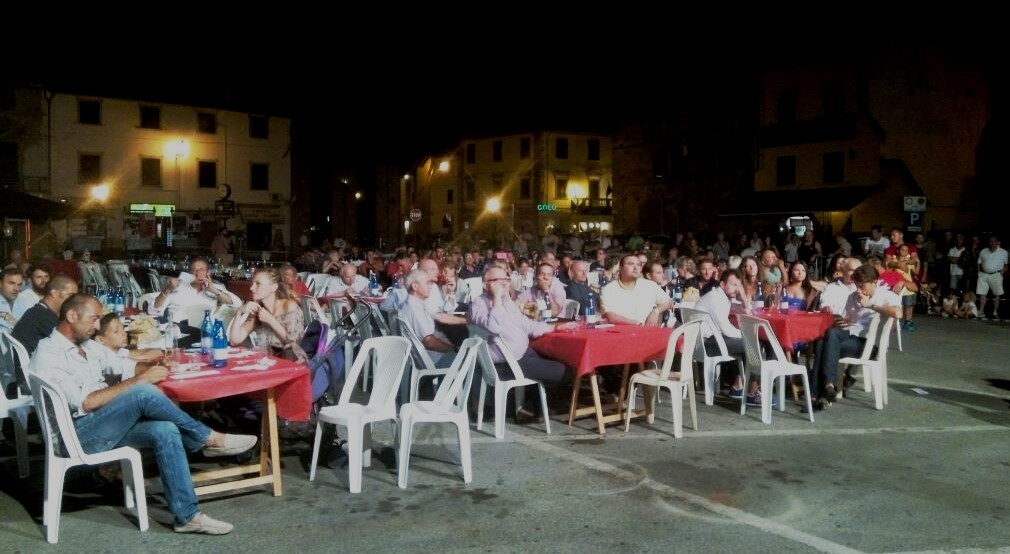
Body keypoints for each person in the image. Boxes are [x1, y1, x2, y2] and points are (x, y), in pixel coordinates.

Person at [30, 294, 256, 535]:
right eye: (94, 319)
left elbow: (124, 366)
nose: (98, 326)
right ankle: (208, 438)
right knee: (142, 392)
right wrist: (141, 380)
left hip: (101, 425)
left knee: (165, 430)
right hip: (75, 436)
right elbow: (86, 403)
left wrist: (153, 368)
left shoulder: (85, 346)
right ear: (72, 316)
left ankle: (187, 516)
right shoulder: (49, 355)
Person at [468, 267, 578, 416]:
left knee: (565, 360)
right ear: (485, 284)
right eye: (497, 281)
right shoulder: (479, 304)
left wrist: (557, 327)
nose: (504, 284)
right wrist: (496, 299)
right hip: (506, 364)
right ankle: (536, 407)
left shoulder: (507, 302)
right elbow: (494, 327)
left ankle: (535, 406)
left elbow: (528, 325)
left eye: (506, 280)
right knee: (564, 372)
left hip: (523, 354)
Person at [813, 264, 901, 410]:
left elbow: (898, 313)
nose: (859, 290)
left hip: (871, 345)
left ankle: (819, 392)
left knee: (826, 341)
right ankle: (825, 388)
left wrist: (871, 305)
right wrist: (840, 320)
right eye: (857, 286)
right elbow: (850, 321)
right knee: (824, 339)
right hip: (851, 338)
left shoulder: (887, 296)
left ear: (874, 282)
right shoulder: (853, 297)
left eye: (862, 286)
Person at [694, 268, 770, 406]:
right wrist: (746, 336)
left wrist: (742, 294)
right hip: (705, 344)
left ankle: (740, 387)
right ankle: (751, 392)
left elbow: (747, 310)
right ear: (722, 285)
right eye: (733, 284)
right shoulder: (714, 298)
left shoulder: (722, 297)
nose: (736, 288)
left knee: (751, 345)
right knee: (752, 345)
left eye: (738, 285)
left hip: (712, 339)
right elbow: (726, 329)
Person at [228, 267, 306, 359]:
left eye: (258, 284)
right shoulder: (258, 310)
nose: (251, 288)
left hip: (289, 364)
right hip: (265, 363)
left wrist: (270, 320)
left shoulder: (289, 306)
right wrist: (239, 312)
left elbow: (295, 344)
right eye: (252, 283)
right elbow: (234, 340)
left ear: (273, 287)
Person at [148, 257, 241, 327]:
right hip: (177, 331)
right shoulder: (178, 286)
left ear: (208, 272)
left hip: (204, 332)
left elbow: (236, 303)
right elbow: (153, 310)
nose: (198, 274)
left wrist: (214, 290)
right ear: (189, 273)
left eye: (202, 270)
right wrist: (167, 289)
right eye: (195, 271)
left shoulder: (215, 288)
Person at [400, 269, 455, 367]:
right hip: (434, 360)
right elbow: (430, 342)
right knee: (474, 359)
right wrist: (453, 349)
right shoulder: (415, 309)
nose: (430, 286)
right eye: (427, 283)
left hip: (426, 358)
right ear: (415, 286)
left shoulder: (411, 304)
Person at [12, 275, 78, 355]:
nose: (74, 301)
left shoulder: (38, 311)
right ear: (54, 293)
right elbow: (70, 344)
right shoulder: (43, 317)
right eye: (71, 296)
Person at [600, 255, 672, 326]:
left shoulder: (650, 285)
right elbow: (610, 316)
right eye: (630, 264)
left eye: (638, 265)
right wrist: (637, 324)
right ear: (620, 268)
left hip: (647, 332)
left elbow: (668, 302)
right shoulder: (608, 289)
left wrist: (656, 311)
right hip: (621, 333)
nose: (635, 268)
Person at [976, 235, 1008, 321]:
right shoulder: (983, 251)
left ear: (997, 242)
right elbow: (978, 262)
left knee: (997, 295)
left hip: (996, 275)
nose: (992, 243)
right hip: (984, 274)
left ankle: (995, 312)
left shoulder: (1003, 252)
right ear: (989, 242)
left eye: (994, 241)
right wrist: (979, 272)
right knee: (982, 294)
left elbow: (1006, 265)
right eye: (991, 241)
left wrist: (1002, 272)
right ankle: (981, 312)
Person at [0, 266, 24, 332]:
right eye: (11, 283)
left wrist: (6, 317)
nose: (16, 289)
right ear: (0, 283)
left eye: (19, 284)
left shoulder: (24, 301)